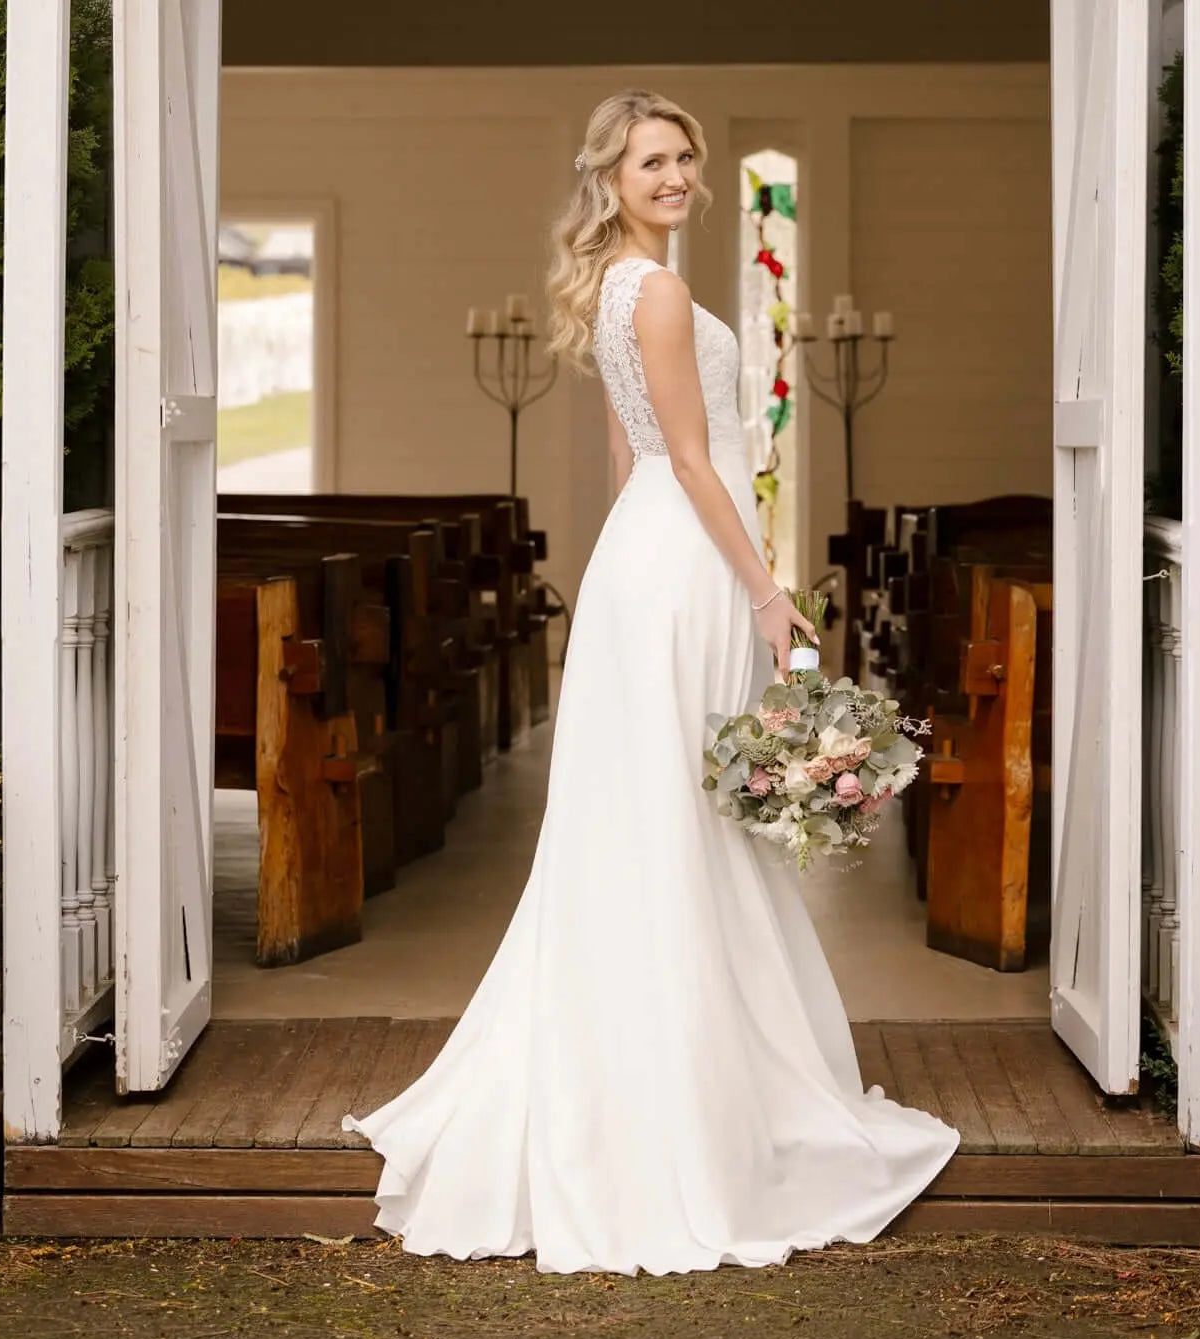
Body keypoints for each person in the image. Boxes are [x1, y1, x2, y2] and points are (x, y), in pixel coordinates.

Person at [343, 89, 960, 1276]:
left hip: (647, 560)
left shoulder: (621, 290)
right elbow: (684, 454)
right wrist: (768, 591)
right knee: (680, 824)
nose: (678, 175)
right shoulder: (660, 291)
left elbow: (627, 455)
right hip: (683, 562)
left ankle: (657, 1073)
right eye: (653, 160)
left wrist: (638, 574)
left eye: (686, 156)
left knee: (650, 822)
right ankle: (674, 1111)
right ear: (611, 178)